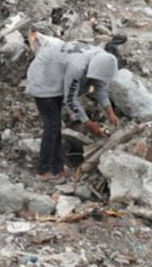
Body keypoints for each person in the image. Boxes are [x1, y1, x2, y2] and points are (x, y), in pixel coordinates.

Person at [24, 35, 120, 180]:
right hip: (42, 77)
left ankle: (58, 168)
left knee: (56, 126)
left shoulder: (100, 58)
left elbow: (99, 88)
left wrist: (111, 114)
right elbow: (71, 99)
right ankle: (43, 171)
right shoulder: (78, 67)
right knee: (52, 126)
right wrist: (88, 124)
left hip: (55, 73)